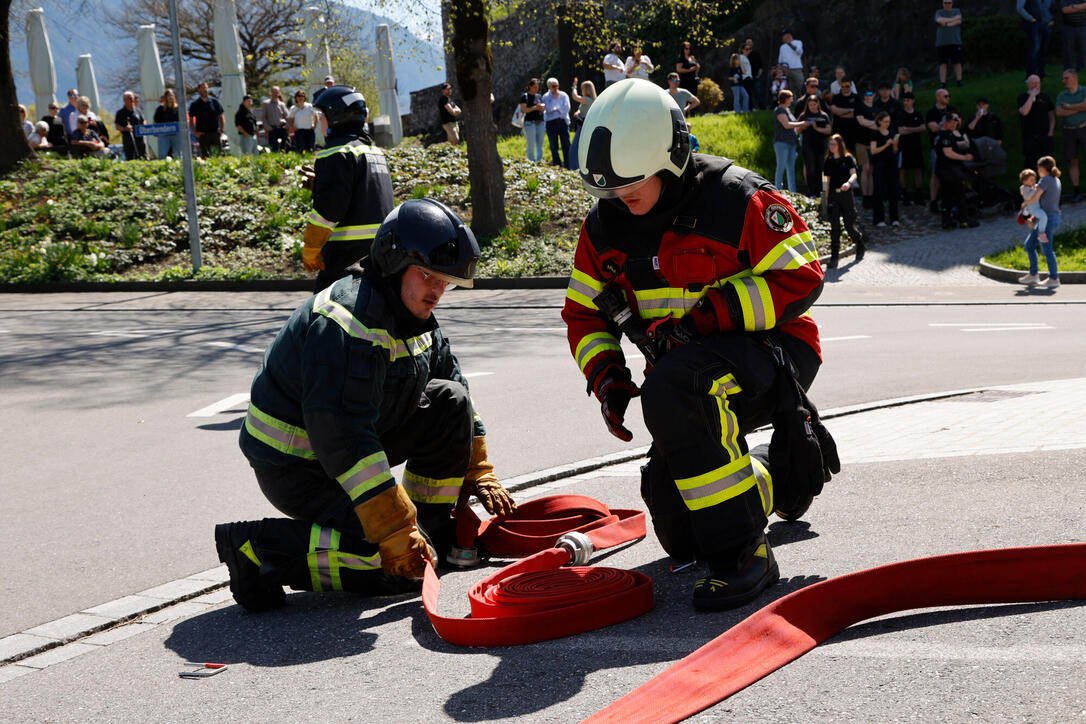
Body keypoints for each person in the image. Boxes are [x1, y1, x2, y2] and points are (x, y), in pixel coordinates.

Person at [566, 78, 832, 611]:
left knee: (677, 390)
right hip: (683, 371)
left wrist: (708, 318)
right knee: (682, 530)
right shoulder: (603, 227)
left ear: (673, 155)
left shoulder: (735, 199)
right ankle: (780, 471)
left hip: (772, 352)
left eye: (632, 184)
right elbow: (583, 312)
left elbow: (802, 277)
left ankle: (744, 558)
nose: (621, 198)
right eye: (611, 189)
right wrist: (610, 380)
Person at [216, 198, 516, 612]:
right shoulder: (347, 322)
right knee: (387, 565)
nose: (438, 291)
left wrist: (479, 471)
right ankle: (256, 549)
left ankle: (430, 532)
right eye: (428, 275)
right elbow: (344, 436)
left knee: (451, 400)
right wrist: (394, 531)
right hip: (297, 467)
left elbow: (456, 387)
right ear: (394, 264)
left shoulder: (414, 315)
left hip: (345, 447)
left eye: (445, 280)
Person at [302, 85, 395, 291]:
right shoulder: (374, 152)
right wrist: (320, 185)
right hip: (379, 254)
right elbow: (363, 194)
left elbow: (330, 208)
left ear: (336, 116)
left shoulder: (335, 153)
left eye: (322, 115)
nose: (319, 122)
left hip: (345, 256)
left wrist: (312, 246)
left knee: (325, 314)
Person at [1018, 155, 1063, 287]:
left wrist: (1024, 204)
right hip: (1049, 217)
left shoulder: (1045, 180)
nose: (1038, 171)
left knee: (1047, 249)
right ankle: (1033, 275)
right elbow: (1044, 202)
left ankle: (1054, 278)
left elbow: (1036, 198)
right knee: (1029, 245)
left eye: (1038, 168)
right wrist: (1032, 217)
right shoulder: (1056, 179)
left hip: (1047, 219)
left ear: (1042, 168)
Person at [822, 133, 866, 268]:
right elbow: (825, 180)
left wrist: (848, 183)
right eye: (830, 144)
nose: (831, 146)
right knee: (834, 227)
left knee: (849, 225)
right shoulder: (828, 161)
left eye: (834, 144)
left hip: (846, 195)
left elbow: (854, 174)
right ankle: (834, 258)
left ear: (840, 145)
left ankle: (860, 243)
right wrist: (824, 198)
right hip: (833, 196)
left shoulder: (848, 159)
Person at [933, 113, 977, 228]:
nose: (954, 124)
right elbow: (948, 153)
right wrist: (964, 157)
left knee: (946, 196)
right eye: (951, 122)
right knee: (959, 194)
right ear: (945, 123)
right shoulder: (946, 136)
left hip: (943, 169)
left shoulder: (940, 135)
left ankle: (946, 221)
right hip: (950, 170)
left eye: (955, 122)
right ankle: (964, 220)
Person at [1056, 67, 1086, 200]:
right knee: (1072, 160)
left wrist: (1068, 107)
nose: (1064, 81)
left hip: (1083, 127)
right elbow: (1058, 112)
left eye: (1066, 78)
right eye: (1063, 78)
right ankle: (1076, 190)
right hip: (1068, 130)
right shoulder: (1062, 95)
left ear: (1075, 78)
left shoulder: (1084, 91)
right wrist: (1079, 108)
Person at [926, 87, 957, 212]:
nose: (948, 98)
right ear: (938, 97)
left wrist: (948, 123)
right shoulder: (931, 112)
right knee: (935, 173)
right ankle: (933, 200)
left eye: (949, 96)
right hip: (936, 147)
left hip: (951, 144)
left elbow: (957, 123)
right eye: (945, 96)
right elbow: (933, 128)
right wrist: (945, 123)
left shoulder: (952, 110)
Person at [1018, 74, 1056, 171]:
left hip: (1045, 137)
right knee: (1030, 164)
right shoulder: (1022, 97)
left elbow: (1051, 115)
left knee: (1048, 164)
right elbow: (1024, 112)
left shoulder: (1045, 97)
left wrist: (1050, 132)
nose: (1036, 85)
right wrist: (1032, 96)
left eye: (1037, 83)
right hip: (1029, 137)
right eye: (1033, 83)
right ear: (1028, 84)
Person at [869, 111, 900, 227]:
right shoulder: (875, 134)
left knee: (893, 191)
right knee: (878, 191)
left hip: (891, 164)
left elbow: (895, 151)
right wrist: (886, 144)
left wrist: (895, 144)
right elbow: (873, 151)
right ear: (879, 122)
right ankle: (879, 219)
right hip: (879, 165)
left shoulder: (892, 133)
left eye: (889, 121)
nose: (887, 123)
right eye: (885, 121)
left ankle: (894, 218)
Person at [798, 93, 832, 197]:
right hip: (808, 146)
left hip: (821, 146)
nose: (812, 107)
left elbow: (828, 130)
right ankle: (811, 191)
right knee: (810, 168)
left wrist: (817, 128)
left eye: (814, 104)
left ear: (818, 104)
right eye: (810, 105)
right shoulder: (803, 116)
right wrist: (803, 126)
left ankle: (820, 191)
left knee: (820, 168)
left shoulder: (823, 115)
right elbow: (797, 130)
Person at [896, 92, 927, 204]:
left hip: (916, 146)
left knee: (918, 169)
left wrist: (908, 128)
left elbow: (923, 128)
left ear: (913, 101)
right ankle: (904, 193)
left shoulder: (918, 114)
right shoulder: (901, 114)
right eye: (904, 100)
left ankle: (919, 193)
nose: (906, 103)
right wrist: (915, 129)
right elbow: (900, 131)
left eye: (908, 100)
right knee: (903, 170)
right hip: (904, 146)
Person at [773, 89, 807, 191]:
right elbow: (787, 125)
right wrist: (802, 123)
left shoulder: (788, 110)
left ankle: (793, 192)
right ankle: (777, 190)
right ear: (785, 99)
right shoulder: (779, 110)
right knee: (781, 168)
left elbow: (794, 128)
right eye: (790, 98)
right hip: (781, 143)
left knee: (791, 169)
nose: (792, 100)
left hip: (791, 143)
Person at [1018, 0, 1054, 78]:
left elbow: (1051, 7)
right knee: (1034, 50)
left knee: (1043, 51)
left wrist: (1051, 19)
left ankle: (1041, 73)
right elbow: (1019, 8)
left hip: (1046, 24)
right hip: (1033, 25)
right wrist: (1030, 19)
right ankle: (1031, 75)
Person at [854, 90, 878, 208]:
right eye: (867, 94)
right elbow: (861, 121)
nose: (869, 96)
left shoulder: (877, 108)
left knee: (872, 170)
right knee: (866, 168)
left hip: (873, 142)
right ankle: (865, 196)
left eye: (871, 94)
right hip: (861, 142)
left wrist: (871, 124)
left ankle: (871, 195)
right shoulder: (860, 107)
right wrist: (875, 124)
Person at [542, 77, 572, 167]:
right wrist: (557, 107)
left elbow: (567, 108)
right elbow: (547, 109)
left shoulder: (563, 95)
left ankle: (568, 164)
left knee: (566, 144)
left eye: (557, 86)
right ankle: (557, 164)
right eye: (554, 86)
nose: (556, 88)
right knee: (553, 145)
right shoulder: (545, 97)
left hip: (562, 121)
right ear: (549, 87)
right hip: (551, 122)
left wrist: (555, 109)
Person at [189, 82, 225, 157]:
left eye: (206, 88)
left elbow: (221, 116)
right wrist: (195, 132)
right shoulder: (195, 104)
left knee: (218, 155)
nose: (205, 90)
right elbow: (191, 120)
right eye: (202, 88)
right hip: (202, 134)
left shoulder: (215, 102)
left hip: (215, 133)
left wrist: (221, 130)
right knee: (205, 156)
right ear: (198, 90)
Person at [570, 78, 597, 171]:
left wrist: (574, 86)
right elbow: (582, 109)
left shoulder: (587, 99)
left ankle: (574, 168)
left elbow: (574, 96)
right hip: (585, 125)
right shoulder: (592, 100)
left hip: (582, 126)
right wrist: (578, 112)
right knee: (583, 147)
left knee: (574, 149)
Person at [935, 0, 964, 87]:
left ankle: (959, 81)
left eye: (949, 2)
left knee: (957, 62)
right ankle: (943, 83)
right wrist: (953, 21)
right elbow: (939, 20)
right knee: (943, 63)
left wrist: (946, 23)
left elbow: (959, 20)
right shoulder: (939, 12)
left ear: (952, 3)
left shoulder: (957, 11)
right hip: (942, 43)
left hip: (955, 42)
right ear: (942, 3)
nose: (947, 4)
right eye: (945, 2)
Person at [830, 76, 860, 154]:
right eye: (843, 86)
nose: (845, 88)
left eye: (847, 86)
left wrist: (841, 113)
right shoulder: (836, 97)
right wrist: (850, 110)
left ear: (851, 85)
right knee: (837, 153)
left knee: (850, 154)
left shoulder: (856, 97)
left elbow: (856, 113)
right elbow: (834, 110)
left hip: (852, 131)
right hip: (838, 130)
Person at [1019, 168, 1049, 243]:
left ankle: (1031, 221)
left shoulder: (1031, 187)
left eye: (1034, 179)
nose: (1034, 181)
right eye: (1031, 180)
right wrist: (1036, 190)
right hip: (1033, 208)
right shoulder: (1025, 189)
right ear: (1024, 181)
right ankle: (1041, 233)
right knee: (1043, 217)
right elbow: (1028, 197)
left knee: (1040, 218)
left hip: (1035, 207)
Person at [115, 91, 148, 161]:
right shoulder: (120, 113)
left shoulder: (138, 111)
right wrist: (124, 128)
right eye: (130, 98)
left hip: (140, 139)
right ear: (125, 100)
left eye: (133, 98)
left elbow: (143, 121)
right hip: (128, 139)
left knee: (143, 156)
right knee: (131, 158)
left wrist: (144, 125)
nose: (132, 100)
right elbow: (117, 126)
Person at [519, 78, 546, 162]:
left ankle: (539, 161)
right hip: (529, 123)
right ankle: (530, 161)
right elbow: (523, 110)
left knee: (540, 144)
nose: (536, 89)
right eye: (534, 87)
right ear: (529, 86)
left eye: (537, 87)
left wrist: (542, 108)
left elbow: (543, 108)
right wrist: (535, 107)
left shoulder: (539, 96)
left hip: (540, 122)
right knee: (531, 144)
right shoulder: (525, 96)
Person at [154, 89, 182, 160]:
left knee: (177, 154)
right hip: (164, 134)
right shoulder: (160, 109)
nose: (171, 97)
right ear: (166, 97)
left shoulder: (178, 108)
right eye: (169, 95)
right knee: (162, 154)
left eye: (172, 95)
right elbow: (155, 122)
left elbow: (183, 121)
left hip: (176, 134)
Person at [262, 86, 289, 152]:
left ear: (279, 93)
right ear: (271, 93)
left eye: (277, 92)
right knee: (274, 149)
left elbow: (287, 116)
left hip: (282, 128)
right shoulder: (266, 103)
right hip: (272, 129)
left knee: (283, 148)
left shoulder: (282, 104)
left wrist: (287, 126)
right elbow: (263, 117)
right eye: (273, 92)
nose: (275, 94)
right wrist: (268, 128)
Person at [1062, 0, 1086, 72]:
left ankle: (1080, 68)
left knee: (1082, 48)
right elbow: (1064, 10)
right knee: (1068, 49)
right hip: (1068, 27)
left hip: (1082, 26)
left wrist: (1073, 6)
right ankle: (1068, 69)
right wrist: (1081, 7)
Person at [743, 37, 765, 109]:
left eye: (750, 42)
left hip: (756, 77)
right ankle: (750, 108)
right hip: (747, 78)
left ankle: (762, 108)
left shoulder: (756, 54)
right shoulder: (743, 56)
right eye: (747, 42)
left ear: (752, 44)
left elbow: (761, 66)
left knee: (759, 93)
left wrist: (758, 75)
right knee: (748, 94)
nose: (749, 44)